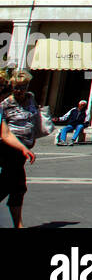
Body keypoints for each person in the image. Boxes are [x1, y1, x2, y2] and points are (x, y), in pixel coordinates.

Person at [0, 69, 41, 228]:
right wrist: (23, 148)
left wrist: (32, 139)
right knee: (16, 185)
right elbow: (5, 134)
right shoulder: (5, 104)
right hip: (8, 149)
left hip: (22, 149)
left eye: (23, 87)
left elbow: (33, 119)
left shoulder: (31, 99)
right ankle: (19, 225)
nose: (19, 90)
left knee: (14, 186)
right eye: (15, 87)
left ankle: (18, 224)